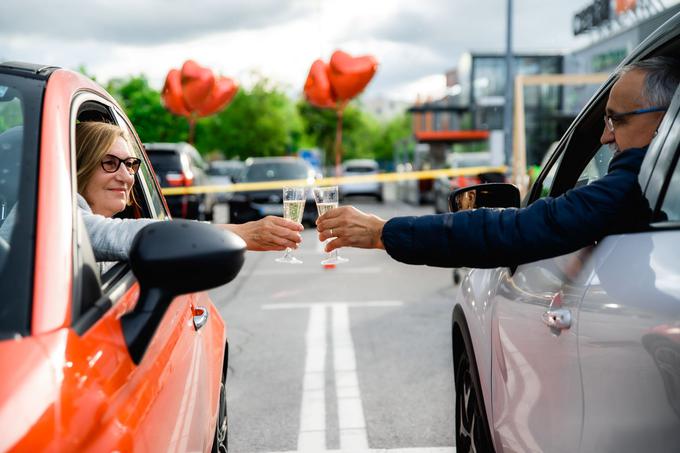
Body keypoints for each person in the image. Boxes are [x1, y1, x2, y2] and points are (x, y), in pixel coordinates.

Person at [316, 56, 680, 268]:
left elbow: (521, 229)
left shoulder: (635, 185)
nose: (605, 136)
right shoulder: (657, 183)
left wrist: (382, 232)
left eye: (617, 120)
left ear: (666, 120)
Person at [76, 121, 303, 262]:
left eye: (130, 164)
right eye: (109, 163)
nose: (126, 176)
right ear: (76, 167)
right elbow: (125, 236)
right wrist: (242, 233)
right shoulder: (65, 222)